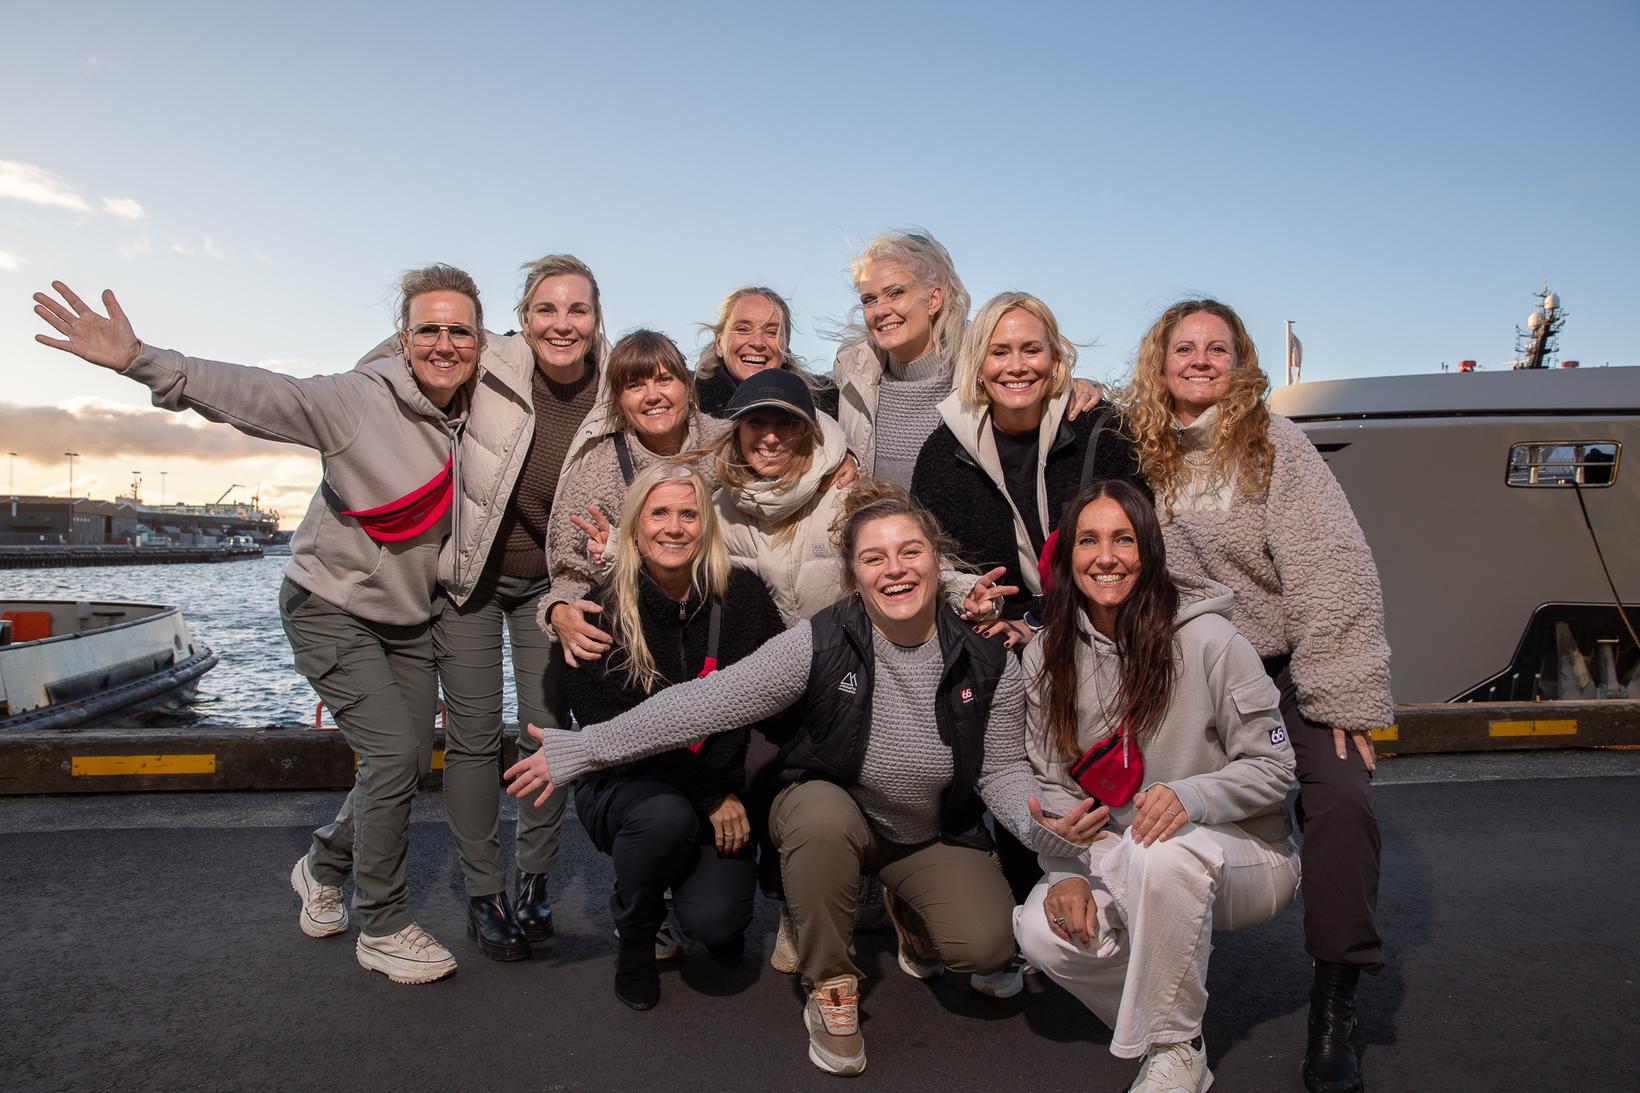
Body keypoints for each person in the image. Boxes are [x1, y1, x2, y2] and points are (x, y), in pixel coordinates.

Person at [505, 481, 1104, 1077]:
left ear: (935, 561)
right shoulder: (820, 643)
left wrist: (1041, 826)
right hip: (835, 815)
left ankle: (910, 905)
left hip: (925, 832)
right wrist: (583, 748)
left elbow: (1001, 771)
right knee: (817, 816)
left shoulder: (986, 657)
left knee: (988, 947)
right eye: (874, 558)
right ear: (853, 573)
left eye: (910, 552)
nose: (894, 570)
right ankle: (832, 988)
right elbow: (701, 703)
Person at [31, 267, 485, 985]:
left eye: (460, 329)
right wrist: (141, 359)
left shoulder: (478, 415)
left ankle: (322, 864)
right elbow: (264, 395)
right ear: (403, 337)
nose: (443, 343)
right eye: (428, 328)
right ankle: (386, 923)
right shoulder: (358, 400)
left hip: (408, 619)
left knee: (396, 758)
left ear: (480, 341)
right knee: (397, 756)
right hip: (329, 608)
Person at [1120, 300, 1393, 1093]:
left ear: (1240, 364)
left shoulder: (1277, 448)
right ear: (1158, 359)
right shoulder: (1137, 445)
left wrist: (1341, 694)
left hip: (1278, 666)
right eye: (1184, 347)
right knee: (1145, 799)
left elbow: (1332, 567)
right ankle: (1162, 1004)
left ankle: (1335, 1000)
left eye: (1219, 349)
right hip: (1185, 660)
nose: (1200, 361)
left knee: (1344, 800)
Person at [1013, 480, 1298, 1093]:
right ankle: (1170, 1015)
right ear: (1067, 558)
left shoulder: (1210, 641)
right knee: (1039, 931)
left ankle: (1176, 1049)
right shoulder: (1044, 657)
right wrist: (1062, 866)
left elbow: (1275, 770)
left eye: (1124, 539)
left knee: (1161, 851)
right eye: (1088, 540)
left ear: (1150, 551)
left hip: (1244, 856)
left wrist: (1192, 796)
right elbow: (1047, 778)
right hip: (1120, 856)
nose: (1106, 556)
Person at [911, 291, 1148, 908]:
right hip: (1004, 628)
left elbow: (1135, 539)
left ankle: (1124, 891)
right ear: (977, 363)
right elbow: (939, 561)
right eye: (999, 350)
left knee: (1102, 762)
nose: (1016, 365)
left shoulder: (1100, 431)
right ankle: (1038, 893)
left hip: (1101, 618)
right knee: (1018, 754)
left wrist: (1050, 629)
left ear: (1055, 359)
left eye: (1030, 349)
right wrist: (980, 603)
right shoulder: (944, 450)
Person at [428, 255, 611, 961]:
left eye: (577, 310)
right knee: (472, 736)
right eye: (546, 309)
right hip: (473, 577)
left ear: (597, 319)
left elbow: (687, 421)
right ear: (524, 315)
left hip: (553, 585)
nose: (561, 324)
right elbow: (395, 365)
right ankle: (483, 890)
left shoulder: (613, 386)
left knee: (546, 731)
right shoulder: (488, 362)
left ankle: (533, 881)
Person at [564, 461, 787, 1009]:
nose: (674, 527)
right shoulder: (600, 609)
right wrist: (710, 795)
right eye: (658, 513)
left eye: (689, 514)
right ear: (635, 525)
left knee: (718, 925)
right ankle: (637, 933)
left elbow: (779, 692)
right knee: (663, 817)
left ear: (706, 525)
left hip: (718, 783)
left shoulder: (744, 597)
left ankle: (695, 894)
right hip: (626, 786)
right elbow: (611, 736)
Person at [830, 230, 1101, 490]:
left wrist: (1074, 387)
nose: (880, 311)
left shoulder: (983, 368)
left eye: (896, 293)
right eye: (869, 300)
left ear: (934, 299)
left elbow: (1031, 386)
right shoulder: (850, 376)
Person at [540, 329, 730, 666]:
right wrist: (558, 612)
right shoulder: (596, 474)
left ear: (687, 386)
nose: (652, 396)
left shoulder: (725, 445)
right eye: (635, 385)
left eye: (664, 379)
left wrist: (840, 458)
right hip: (638, 633)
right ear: (617, 400)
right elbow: (569, 578)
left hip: (720, 618)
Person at [694, 286, 838, 418]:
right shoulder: (687, 407)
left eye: (771, 332)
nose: (757, 342)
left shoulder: (827, 410)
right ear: (719, 344)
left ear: (786, 349)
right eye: (742, 329)